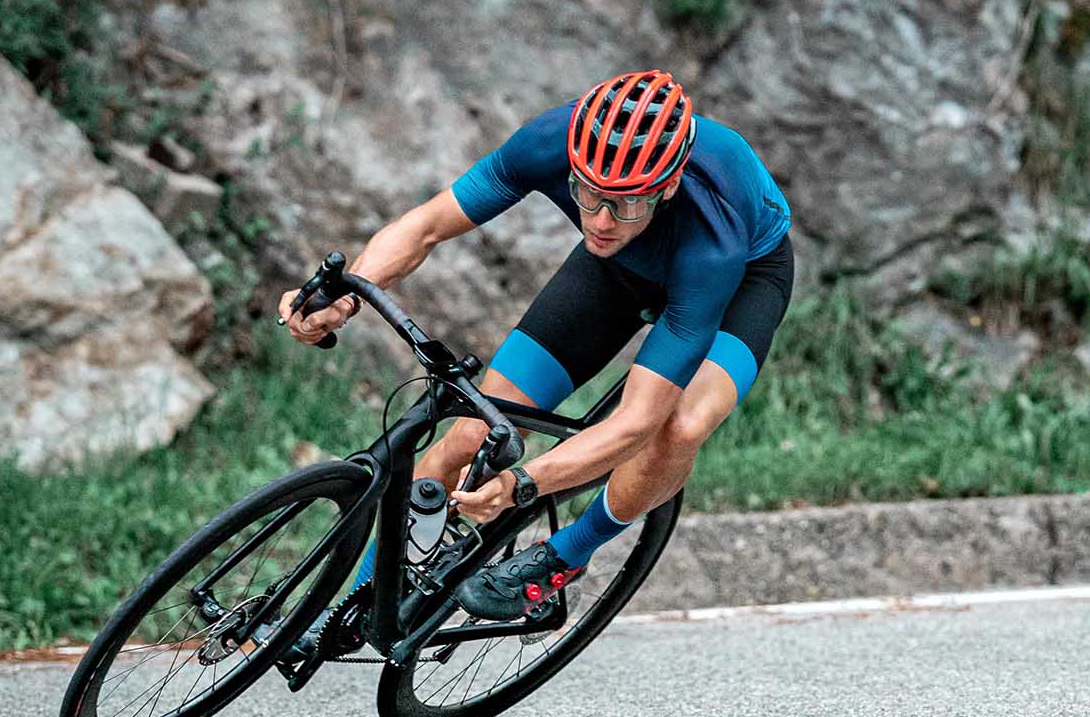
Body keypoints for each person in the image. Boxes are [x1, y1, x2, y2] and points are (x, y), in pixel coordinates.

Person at [273, 67, 794, 635]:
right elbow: (426, 226)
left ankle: (568, 552)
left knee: (680, 426)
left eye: (622, 204)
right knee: (469, 435)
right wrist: (345, 299)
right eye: (587, 195)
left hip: (743, 279)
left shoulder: (711, 241)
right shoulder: (552, 142)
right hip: (618, 268)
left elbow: (633, 425)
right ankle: (354, 607)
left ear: (665, 187)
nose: (596, 219)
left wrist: (522, 485)